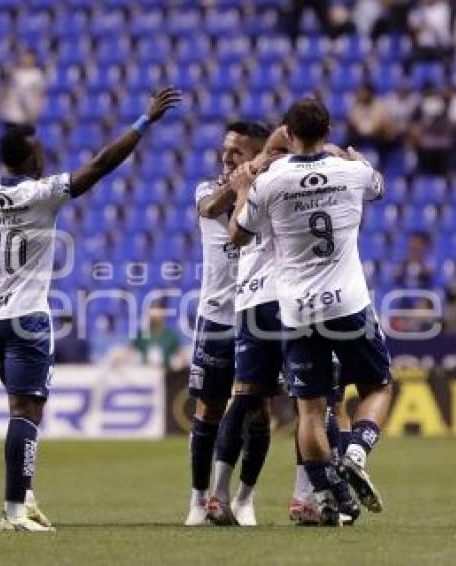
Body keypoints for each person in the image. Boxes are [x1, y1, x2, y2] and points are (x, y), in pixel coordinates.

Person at [0, 85, 181, 532]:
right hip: (27, 318)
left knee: (21, 408)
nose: (44, 154)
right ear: (28, 156)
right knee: (26, 412)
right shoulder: (43, 192)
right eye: (38, 149)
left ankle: (26, 499)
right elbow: (100, 165)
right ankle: (14, 511)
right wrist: (144, 121)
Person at [230, 98, 394, 526]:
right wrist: (353, 157)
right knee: (377, 387)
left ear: (287, 132)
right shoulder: (352, 172)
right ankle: (356, 453)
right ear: (329, 129)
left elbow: (239, 236)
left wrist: (245, 189)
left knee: (310, 410)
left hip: (298, 312)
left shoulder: (271, 181)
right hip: (348, 303)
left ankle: (327, 493)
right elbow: (378, 185)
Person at [184, 121, 270, 527]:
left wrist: (254, 181)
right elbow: (211, 209)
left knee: (258, 410)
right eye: (225, 150)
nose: (226, 157)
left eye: (237, 151)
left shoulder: (272, 192)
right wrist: (239, 185)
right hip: (215, 318)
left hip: (257, 315)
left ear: (255, 155)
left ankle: (245, 499)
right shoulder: (207, 189)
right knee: (208, 408)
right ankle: (199, 500)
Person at [0, 50, 47, 130]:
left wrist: (35, 111)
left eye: (28, 57)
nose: (25, 59)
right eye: (24, 57)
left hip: (26, 115)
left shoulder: (37, 75)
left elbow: (39, 94)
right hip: (11, 115)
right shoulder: (15, 73)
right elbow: (5, 87)